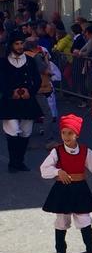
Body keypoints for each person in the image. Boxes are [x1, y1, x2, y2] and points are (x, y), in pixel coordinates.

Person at [40, 114, 92, 253]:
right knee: (62, 221)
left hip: (80, 190)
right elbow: (44, 169)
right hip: (62, 190)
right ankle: (60, 249)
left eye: (70, 133)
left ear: (77, 134)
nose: (66, 136)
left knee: (84, 220)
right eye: (63, 132)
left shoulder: (85, 151)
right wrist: (58, 172)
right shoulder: (56, 152)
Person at [0, 32, 41, 172]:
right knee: (12, 130)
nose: (19, 46)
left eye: (21, 43)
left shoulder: (30, 61)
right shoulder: (3, 62)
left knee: (25, 131)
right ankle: (13, 162)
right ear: (11, 45)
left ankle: (20, 161)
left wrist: (30, 90)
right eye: (16, 44)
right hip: (10, 102)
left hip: (27, 101)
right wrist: (11, 92)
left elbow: (37, 80)